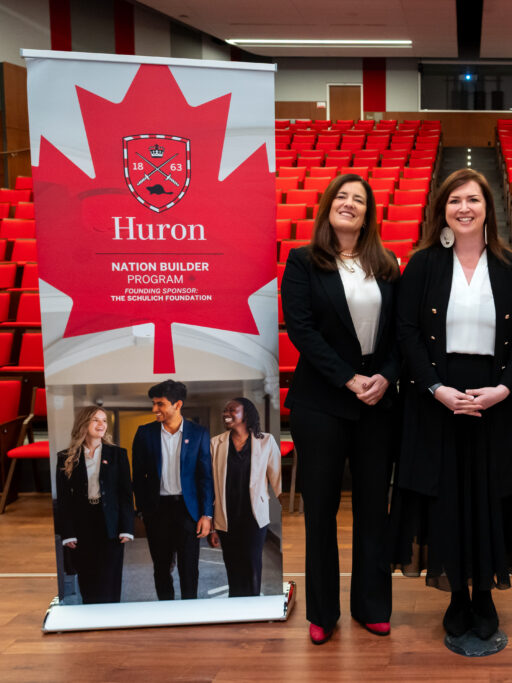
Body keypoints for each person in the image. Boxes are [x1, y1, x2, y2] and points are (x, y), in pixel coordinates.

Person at [392, 168, 512, 644]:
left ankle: (486, 595)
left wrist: (505, 388)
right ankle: (457, 592)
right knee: (448, 496)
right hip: (439, 396)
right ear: (443, 209)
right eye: (455, 200)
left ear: (487, 209)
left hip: (493, 396)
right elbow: (407, 332)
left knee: (488, 493)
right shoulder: (423, 264)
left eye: (473, 200)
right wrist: (434, 387)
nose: (464, 208)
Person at [281, 173, 400, 644]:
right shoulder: (303, 261)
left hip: (377, 400)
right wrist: (349, 379)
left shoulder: (387, 264)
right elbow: (302, 330)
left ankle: (372, 606)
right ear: (328, 206)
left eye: (360, 200)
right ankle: (322, 612)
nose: (350, 204)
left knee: (374, 508)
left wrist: (385, 377)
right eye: (342, 197)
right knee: (321, 509)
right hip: (323, 402)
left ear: (369, 213)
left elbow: (399, 333)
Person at [132, 379, 214, 600]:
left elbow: (205, 477)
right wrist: (143, 510)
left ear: (177, 405)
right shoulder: (144, 433)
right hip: (156, 511)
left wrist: (207, 514)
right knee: (161, 566)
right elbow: (138, 476)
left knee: (189, 567)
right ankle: (166, 609)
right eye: (154, 403)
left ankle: (189, 611)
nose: (154, 409)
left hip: (188, 511)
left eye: (160, 404)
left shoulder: (199, 433)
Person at [55, 406, 134, 604]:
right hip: (82, 524)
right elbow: (64, 500)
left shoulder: (117, 454)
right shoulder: (66, 457)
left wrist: (127, 527)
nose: (102, 425)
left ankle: (111, 619)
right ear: (83, 424)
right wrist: (68, 533)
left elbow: (125, 494)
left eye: (104, 420)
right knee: (87, 576)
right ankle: (91, 617)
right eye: (96, 420)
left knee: (110, 576)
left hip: (110, 523)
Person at [209, 397, 282, 597]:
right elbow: (210, 485)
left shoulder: (266, 441)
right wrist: (212, 523)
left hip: (254, 517)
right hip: (226, 516)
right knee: (232, 566)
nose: (226, 413)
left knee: (251, 565)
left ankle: (253, 608)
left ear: (246, 414)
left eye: (232, 410)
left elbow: (278, 479)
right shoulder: (216, 443)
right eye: (225, 410)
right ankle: (236, 608)